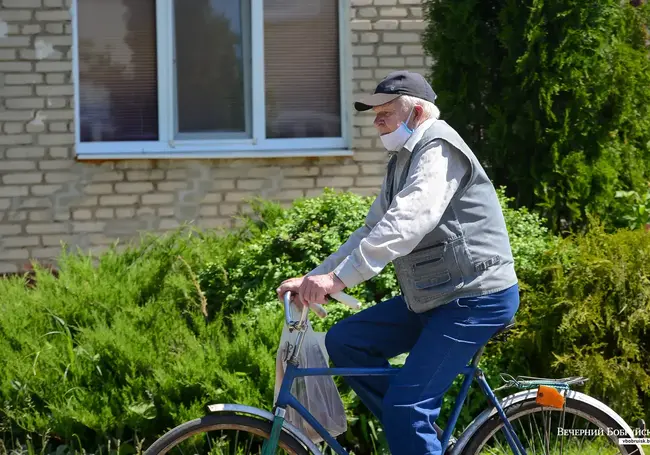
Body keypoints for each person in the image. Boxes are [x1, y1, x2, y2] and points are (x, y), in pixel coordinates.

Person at [276, 70, 519, 455]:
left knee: (406, 408)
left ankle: (411, 424)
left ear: (417, 112)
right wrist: (316, 277)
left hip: (475, 297)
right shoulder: (402, 161)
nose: (376, 122)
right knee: (346, 342)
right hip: (435, 297)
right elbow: (371, 229)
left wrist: (338, 281)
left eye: (385, 112)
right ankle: (427, 441)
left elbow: (407, 222)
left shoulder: (438, 148)